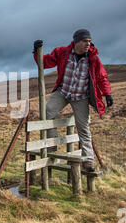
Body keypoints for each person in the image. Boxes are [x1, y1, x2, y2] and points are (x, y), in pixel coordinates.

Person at [32, 29, 113, 172]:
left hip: (80, 96)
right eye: (84, 41)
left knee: (83, 127)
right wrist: (36, 50)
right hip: (63, 92)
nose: (88, 44)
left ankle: (88, 160)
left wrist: (107, 94)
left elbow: (101, 77)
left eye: (89, 41)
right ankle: (51, 146)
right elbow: (44, 63)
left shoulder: (93, 58)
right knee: (48, 112)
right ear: (76, 41)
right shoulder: (62, 52)